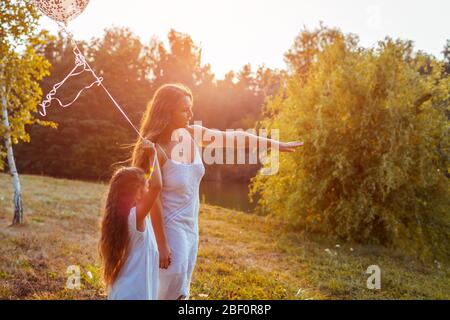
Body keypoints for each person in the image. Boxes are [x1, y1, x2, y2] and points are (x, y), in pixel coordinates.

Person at [131, 83, 303, 300]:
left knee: (182, 288)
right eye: (185, 109)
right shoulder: (156, 149)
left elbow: (236, 139)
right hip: (169, 226)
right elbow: (153, 198)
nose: (191, 114)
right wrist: (162, 243)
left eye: (190, 108)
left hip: (190, 226)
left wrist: (272, 143)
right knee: (168, 287)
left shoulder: (192, 135)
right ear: (167, 111)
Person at [99, 140, 162, 299]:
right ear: (137, 193)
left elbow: (153, 186)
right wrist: (152, 155)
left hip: (126, 291)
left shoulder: (127, 217)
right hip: (132, 294)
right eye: (145, 187)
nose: (149, 190)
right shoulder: (135, 217)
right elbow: (157, 186)